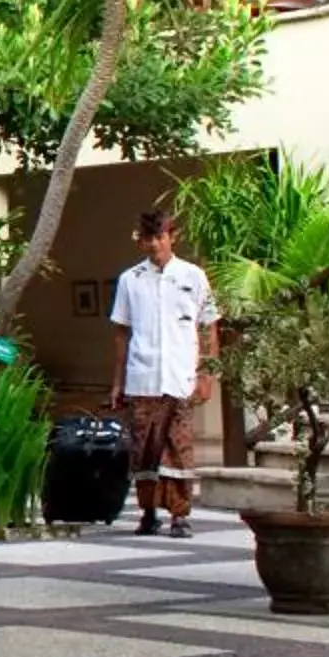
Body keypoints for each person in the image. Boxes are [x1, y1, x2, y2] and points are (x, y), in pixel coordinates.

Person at [108, 208, 217, 537]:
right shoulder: (131, 280)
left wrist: (207, 374)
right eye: (148, 238)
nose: (154, 244)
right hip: (142, 377)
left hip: (180, 376)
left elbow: (210, 328)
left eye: (160, 236)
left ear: (173, 236)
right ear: (140, 241)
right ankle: (148, 512)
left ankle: (180, 515)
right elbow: (120, 332)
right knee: (145, 449)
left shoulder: (193, 276)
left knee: (179, 446)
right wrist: (118, 382)